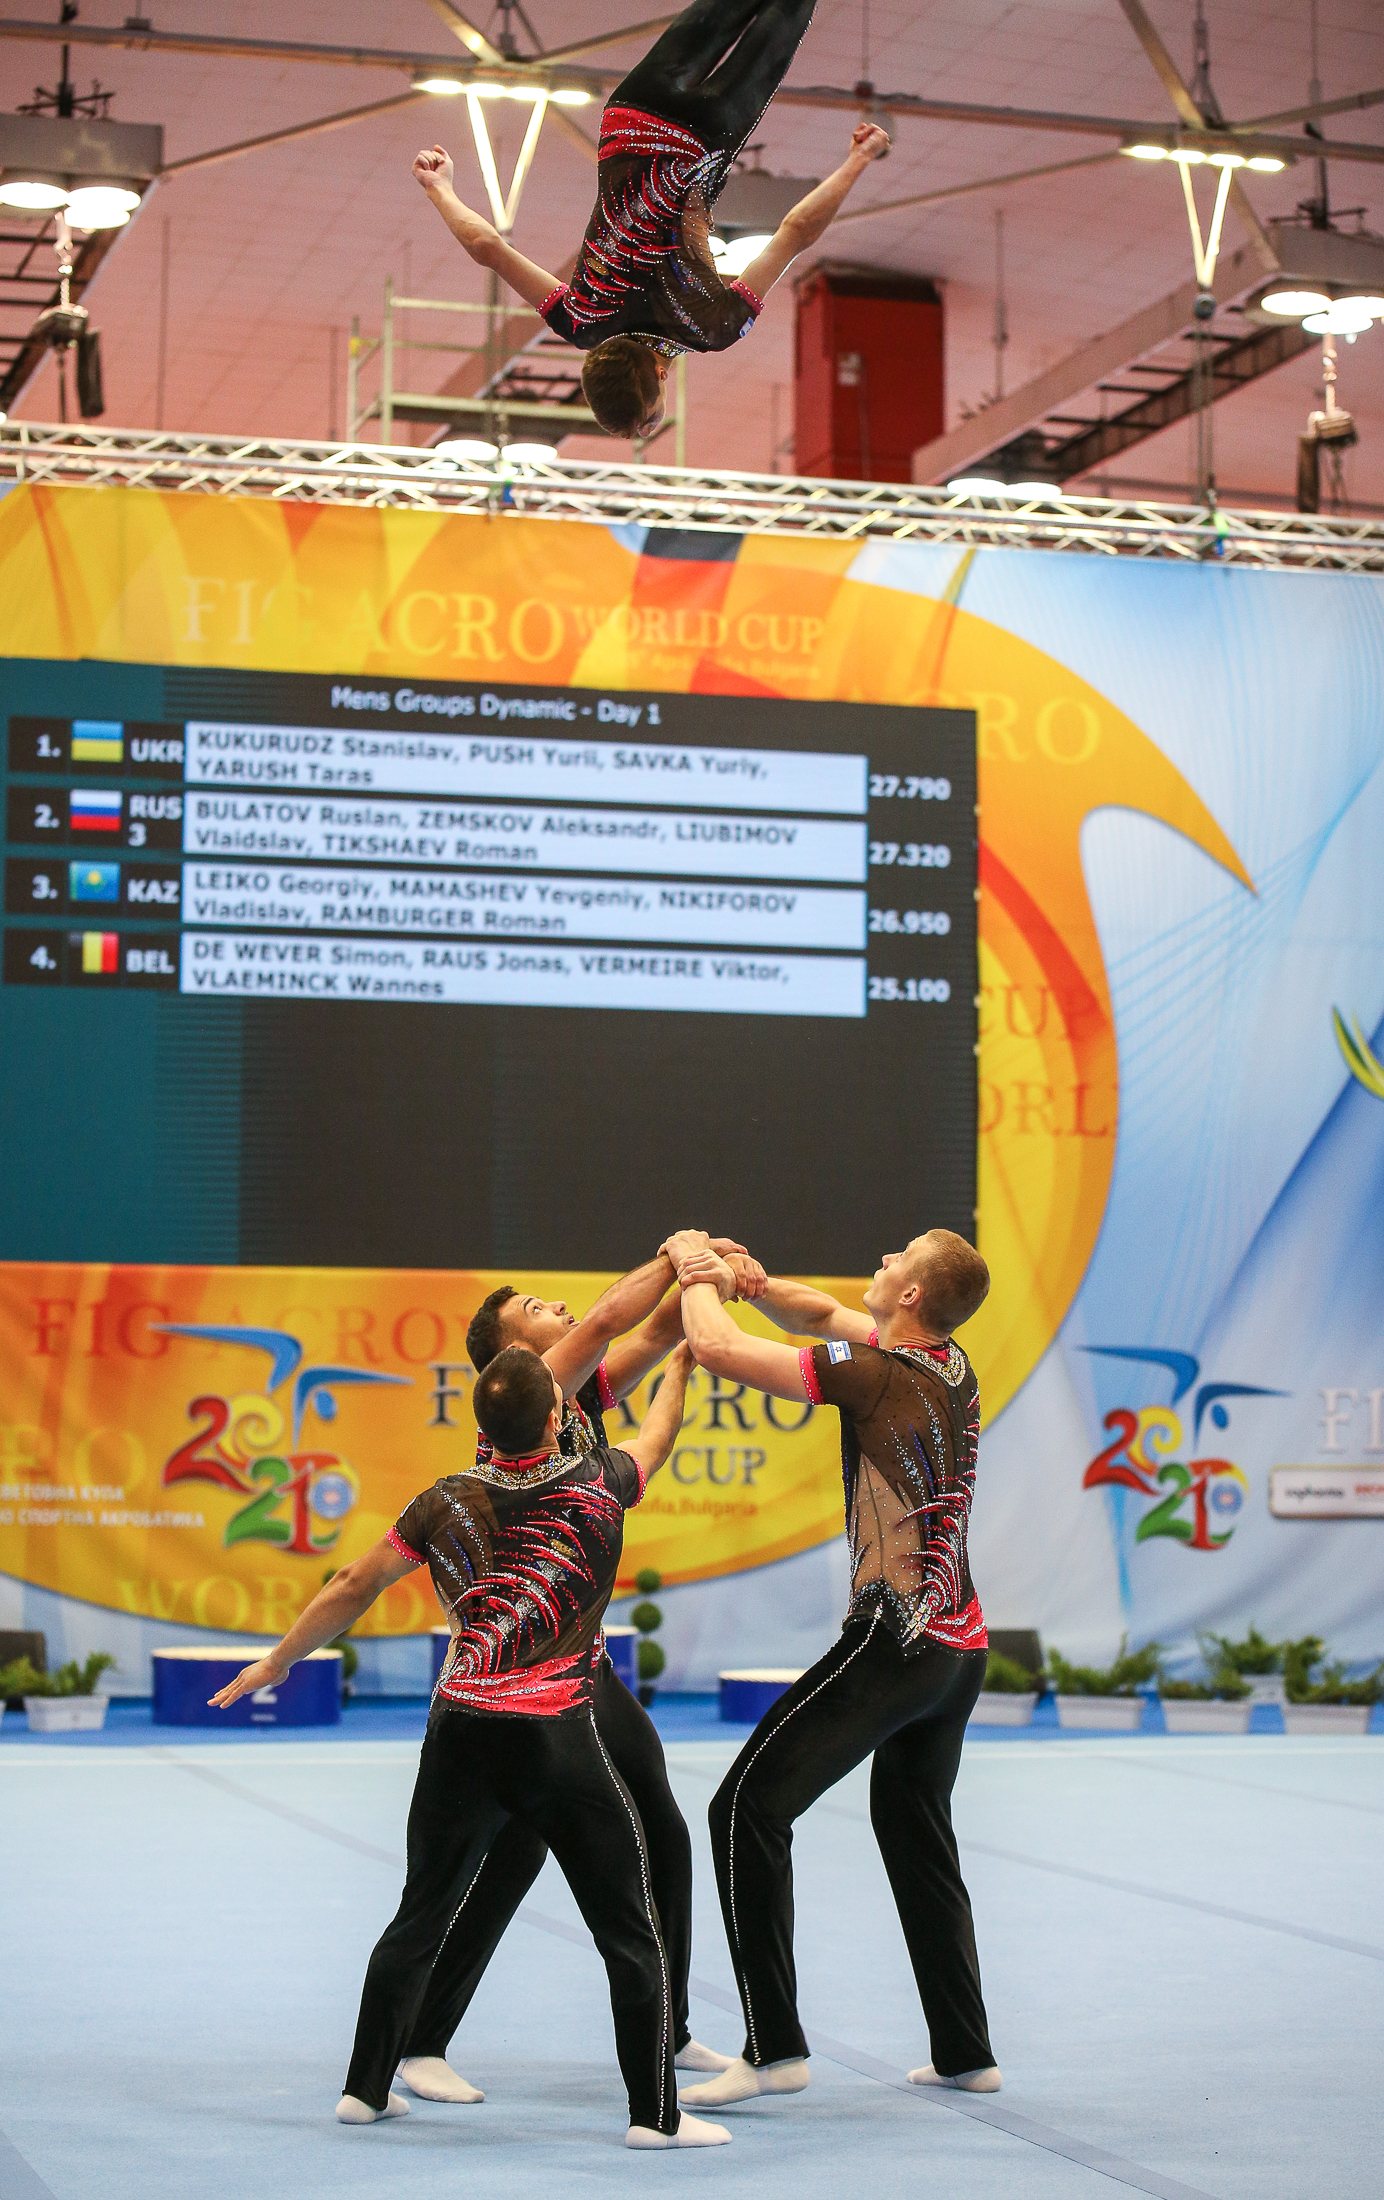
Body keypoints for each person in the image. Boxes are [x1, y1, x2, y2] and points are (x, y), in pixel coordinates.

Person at [210, 1341, 731, 2152]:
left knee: (420, 1913)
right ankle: (655, 2117)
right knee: (630, 1931)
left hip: (459, 1731)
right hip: (555, 1734)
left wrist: (278, 1660)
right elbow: (657, 1438)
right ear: (558, 1418)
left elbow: (353, 1583)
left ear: (482, 1425)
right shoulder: (599, 1482)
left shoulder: (443, 1499)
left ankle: (364, 2089)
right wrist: (680, 1371)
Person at [391, 1248, 762, 2103]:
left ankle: (669, 2029)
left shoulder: (574, 1399)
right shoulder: (530, 1392)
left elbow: (655, 1330)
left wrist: (710, 1277)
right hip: (525, 1685)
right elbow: (606, 1319)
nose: (555, 1305)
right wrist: (678, 1250)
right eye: (534, 1308)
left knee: (663, 1830)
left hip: (583, 1670)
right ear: (515, 1356)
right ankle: (420, 2041)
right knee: (511, 1854)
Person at [664, 1229, 1002, 2110]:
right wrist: (754, 1280)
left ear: (914, 1295)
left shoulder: (872, 1373)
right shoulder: (950, 1364)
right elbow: (816, 1313)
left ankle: (774, 2048)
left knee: (743, 1809)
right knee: (916, 1832)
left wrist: (694, 1269)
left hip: (894, 1643)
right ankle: (966, 2050)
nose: (881, 1259)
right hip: (959, 1650)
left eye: (898, 1258)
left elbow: (717, 1350)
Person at [412, 0, 890, 437]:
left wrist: (858, 160)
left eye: (653, 416)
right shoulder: (579, 321)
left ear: (659, 376)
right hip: (630, 115)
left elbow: (796, 233)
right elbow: (488, 249)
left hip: (705, 138)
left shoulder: (712, 328)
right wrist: (440, 189)